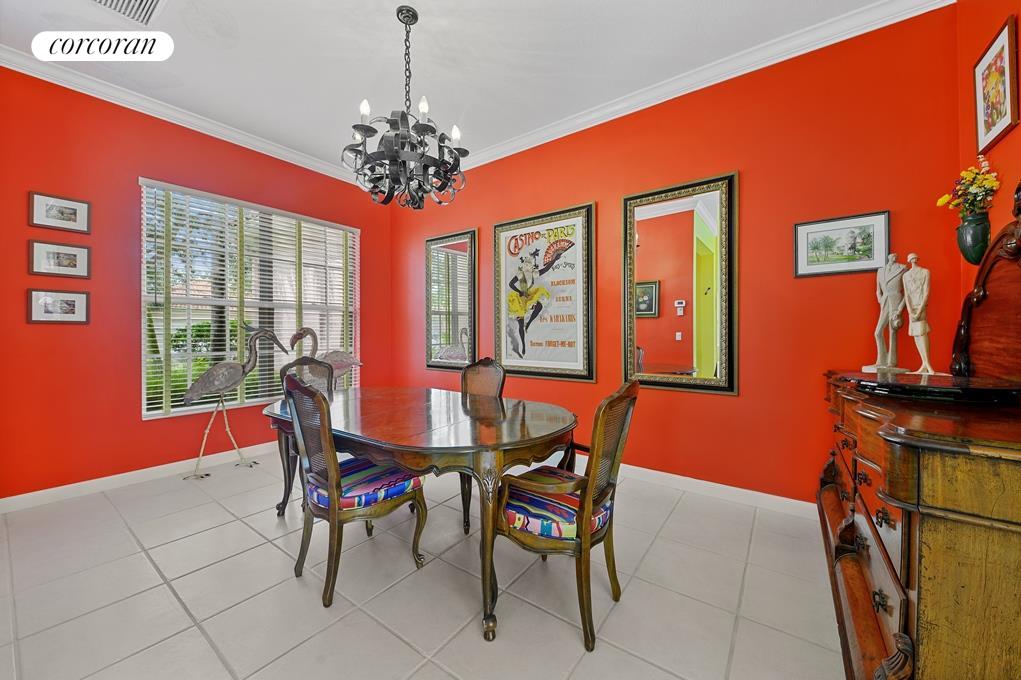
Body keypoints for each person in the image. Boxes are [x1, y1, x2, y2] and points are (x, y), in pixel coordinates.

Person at [507, 246, 566, 357]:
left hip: (528, 296)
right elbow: (510, 284)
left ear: (532, 265)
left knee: (539, 306)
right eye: (526, 264)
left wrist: (555, 259)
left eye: (529, 264)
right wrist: (519, 291)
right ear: (523, 265)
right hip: (519, 299)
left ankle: (528, 323)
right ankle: (523, 345)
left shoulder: (534, 274)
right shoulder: (520, 274)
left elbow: (546, 269)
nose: (527, 266)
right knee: (520, 324)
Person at [864, 253, 907, 372]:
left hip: (895, 300)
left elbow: (907, 293)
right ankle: (881, 360)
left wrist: (900, 308)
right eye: (892, 256)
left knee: (892, 332)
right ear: (888, 258)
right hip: (885, 301)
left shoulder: (902, 268)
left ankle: (891, 362)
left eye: (895, 256)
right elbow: (878, 290)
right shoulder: (880, 271)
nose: (894, 257)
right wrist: (880, 299)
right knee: (878, 332)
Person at [902, 253, 934, 374]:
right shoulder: (905, 276)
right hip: (912, 308)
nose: (913, 260)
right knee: (916, 334)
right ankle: (924, 364)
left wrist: (919, 310)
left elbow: (926, 293)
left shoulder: (925, 272)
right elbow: (906, 294)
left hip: (921, 306)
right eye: (911, 258)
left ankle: (928, 364)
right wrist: (910, 311)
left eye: (914, 258)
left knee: (922, 332)